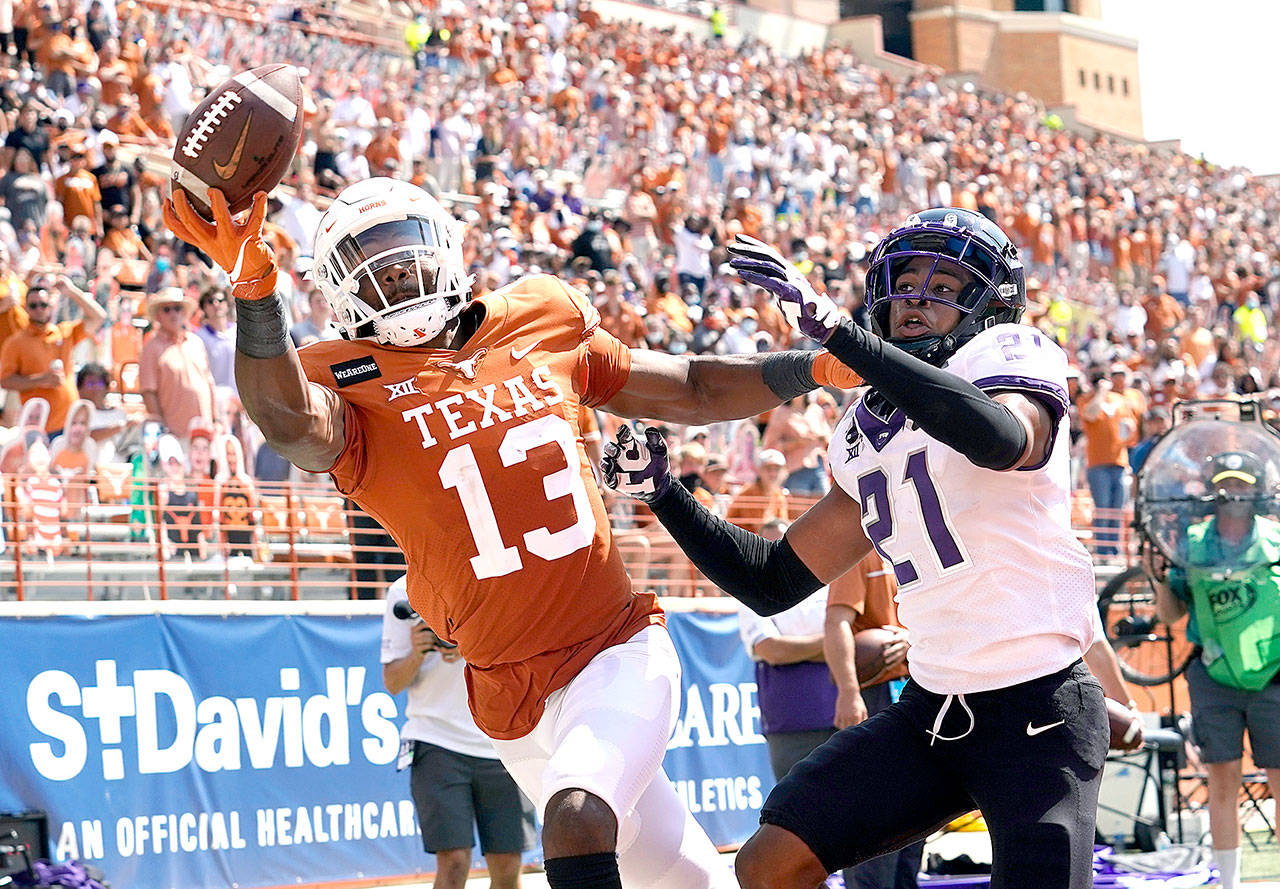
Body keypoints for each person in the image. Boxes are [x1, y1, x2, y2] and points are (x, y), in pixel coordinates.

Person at [162, 179, 859, 889]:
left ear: (445, 247)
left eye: (404, 252)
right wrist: (254, 289)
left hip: (611, 646)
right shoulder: (343, 379)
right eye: (373, 261)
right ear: (339, 289)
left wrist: (811, 368)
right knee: (681, 878)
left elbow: (693, 385)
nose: (396, 273)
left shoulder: (537, 316)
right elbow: (287, 422)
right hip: (506, 691)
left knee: (578, 818)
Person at [603, 209, 1106, 888]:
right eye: (905, 282)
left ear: (993, 303)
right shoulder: (864, 424)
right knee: (770, 860)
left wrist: (840, 333)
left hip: (1040, 705)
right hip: (935, 707)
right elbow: (773, 579)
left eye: (944, 283)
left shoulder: (1008, 354)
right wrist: (666, 494)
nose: (916, 299)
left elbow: (1000, 439)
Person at [1148, 451, 1280, 889]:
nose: (1235, 493)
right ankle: (1229, 884)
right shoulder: (1192, 544)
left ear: (1256, 490)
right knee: (1222, 780)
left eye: (1243, 484)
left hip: (1273, 674)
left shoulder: (1276, 540)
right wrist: (1158, 580)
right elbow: (1170, 615)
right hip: (1213, 675)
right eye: (1227, 485)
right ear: (1214, 492)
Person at [381, 575, 537, 889]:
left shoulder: (498, 574)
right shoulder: (402, 590)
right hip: (435, 741)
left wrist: (470, 648)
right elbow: (393, 682)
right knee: (453, 863)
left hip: (503, 740)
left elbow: (528, 653)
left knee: (508, 866)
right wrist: (417, 653)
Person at [0, 275, 106, 435]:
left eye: (43, 304)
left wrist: (71, 291)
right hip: (39, 427)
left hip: (70, 423)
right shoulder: (15, 343)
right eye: (33, 305)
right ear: (26, 308)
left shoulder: (64, 332)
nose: (39, 309)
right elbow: (6, 381)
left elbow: (99, 317)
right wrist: (41, 380)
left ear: (51, 306)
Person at [138, 287, 216, 442]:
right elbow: (148, 392)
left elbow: (209, 382)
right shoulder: (151, 348)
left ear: (185, 313)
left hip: (206, 432)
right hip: (175, 435)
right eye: (167, 309)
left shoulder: (196, 342)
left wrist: (217, 420)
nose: (174, 314)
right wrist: (163, 429)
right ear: (158, 316)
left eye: (178, 308)